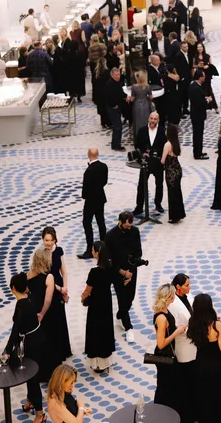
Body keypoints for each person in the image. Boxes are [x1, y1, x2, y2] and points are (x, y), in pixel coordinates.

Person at [188, 293, 221, 422]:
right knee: (218, 395)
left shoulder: (193, 323)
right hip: (217, 365)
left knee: (203, 395)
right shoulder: (216, 325)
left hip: (200, 363)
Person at [4, 273, 46, 423]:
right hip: (38, 338)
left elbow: (15, 331)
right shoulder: (30, 297)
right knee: (31, 373)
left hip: (31, 343)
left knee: (32, 377)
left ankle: (40, 413)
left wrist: (7, 350)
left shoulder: (21, 305)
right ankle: (30, 400)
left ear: (13, 288)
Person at [105, 211, 143, 342]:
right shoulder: (110, 236)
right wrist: (122, 272)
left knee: (130, 297)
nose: (128, 228)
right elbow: (108, 259)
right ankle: (128, 327)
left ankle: (120, 315)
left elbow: (138, 252)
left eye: (130, 226)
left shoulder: (135, 231)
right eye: (126, 226)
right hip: (117, 272)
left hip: (131, 270)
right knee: (122, 298)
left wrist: (130, 272)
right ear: (120, 222)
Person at [27, 248, 62, 381]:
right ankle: (51, 372)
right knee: (50, 341)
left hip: (34, 311)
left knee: (39, 343)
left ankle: (38, 371)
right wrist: (42, 313)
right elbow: (48, 300)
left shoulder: (29, 274)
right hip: (47, 314)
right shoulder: (49, 277)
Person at [81, 241, 116, 373]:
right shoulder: (110, 268)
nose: (91, 252)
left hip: (95, 304)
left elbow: (87, 290)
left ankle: (97, 363)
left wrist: (83, 298)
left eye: (93, 250)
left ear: (97, 253)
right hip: (106, 302)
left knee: (95, 330)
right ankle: (106, 361)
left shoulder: (94, 272)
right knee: (105, 329)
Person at [152, 284, 186, 410]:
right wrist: (176, 332)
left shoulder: (165, 310)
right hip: (164, 355)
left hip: (168, 352)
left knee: (168, 384)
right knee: (165, 386)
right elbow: (161, 343)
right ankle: (163, 411)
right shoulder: (161, 317)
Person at [168, 274, 197, 423]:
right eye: (187, 285)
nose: (189, 287)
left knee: (194, 381)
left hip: (194, 344)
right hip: (184, 347)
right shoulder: (172, 304)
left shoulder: (189, 296)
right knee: (186, 383)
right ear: (178, 287)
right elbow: (176, 327)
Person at [42, 227, 72, 360]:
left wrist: (65, 289)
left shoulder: (59, 250)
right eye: (46, 240)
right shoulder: (41, 254)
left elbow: (64, 271)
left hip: (60, 287)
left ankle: (63, 349)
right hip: (49, 288)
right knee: (51, 318)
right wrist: (60, 289)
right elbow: (43, 277)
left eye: (51, 240)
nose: (49, 243)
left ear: (55, 240)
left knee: (60, 317)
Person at [78, 147, 108, 259]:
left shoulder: (89, 171)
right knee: (101, 222)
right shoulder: (104, 166)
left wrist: (85, 196)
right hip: (100, 198)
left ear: (88, 154)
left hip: (90, 201)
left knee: (87, 223)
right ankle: (104, 247)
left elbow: (85, 188)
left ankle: (89, 248)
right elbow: (104, 182)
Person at [133, 112, 165, 216]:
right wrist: (142, 153)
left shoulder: (162, 131)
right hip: (145, 162)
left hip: (158, 163)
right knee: (141, 185)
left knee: (159, 184)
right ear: (148, 119)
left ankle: (158, 204)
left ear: (158, 120)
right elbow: (137, 145)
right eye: (151, 118)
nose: (153, 120)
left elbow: (164, 146)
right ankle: (139, 206)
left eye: (155, 119)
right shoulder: (142, 130)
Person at [161, 124, 186, 223]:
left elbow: (163, 160)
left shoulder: (167, 144)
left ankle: (174, 216)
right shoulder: (176, 143)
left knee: (172, 193)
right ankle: (179, 214)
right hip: (177, 169)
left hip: (170, 171)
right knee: (177, 192)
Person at [107, 67, 132, 152]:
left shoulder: (117, 83)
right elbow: (109, 97)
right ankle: (116, 145)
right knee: (118, 127)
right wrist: (114, 105)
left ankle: (116, 144)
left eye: (119, 75)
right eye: (116, 75)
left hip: (117, 107)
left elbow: (120, 93)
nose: (118, 76)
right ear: (112, 75)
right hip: (113, 108)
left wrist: (126, 96)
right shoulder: (110, 84)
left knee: (118, 126)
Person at [189, 69, 211, 160]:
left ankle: (199, 151)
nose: (204, 78)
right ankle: (197, 153)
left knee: (198, 134)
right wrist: (207, 100)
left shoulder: (195, 85)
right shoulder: (195, 88)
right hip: (197, 114)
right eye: (203, 76)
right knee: (198, 134)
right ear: (200, 77)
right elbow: (199, 102)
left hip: (197, 114)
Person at [193, 43, 218, 112]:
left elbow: (211, 65)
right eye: (198, 47)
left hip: (207, 74)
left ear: (203, 47)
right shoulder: (195, 56)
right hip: (199, 75)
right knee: (201, 90)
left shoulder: (207, 56)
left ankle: (214, 106)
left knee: (209, 90)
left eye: (201, 47)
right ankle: (203, 106)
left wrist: (208, 66)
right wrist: (198, 66)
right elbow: (193, 65)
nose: (199, 48)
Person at [131, 70, 153, 139]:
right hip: (146, 104)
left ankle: (138, 137)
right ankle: (147, 137)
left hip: (137, 105)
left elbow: (132, 99)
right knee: (146, 120)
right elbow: (151, 97)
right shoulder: (148, 86)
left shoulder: (134, 87)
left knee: (137, 121)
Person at [173, 43, 192, 116]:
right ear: (181, 47)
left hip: (188, 78)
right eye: (184, 47)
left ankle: (185, 109)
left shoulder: (188, 54)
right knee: (181, 95)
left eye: (187, 46)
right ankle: (179, 111)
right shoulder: (178, 56)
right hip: (182, 79)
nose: (186, 48)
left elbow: (189, 66)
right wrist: (181, 77)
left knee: (186, 94)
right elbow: (177, 67)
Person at [92, 57, 111, 127]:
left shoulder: (95, 72)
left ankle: (103, 122)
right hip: (105, 92)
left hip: (98, 92)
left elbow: (93, 82)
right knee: (106, 107)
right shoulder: (107, 72)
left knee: (101, 107)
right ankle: (108, 122)